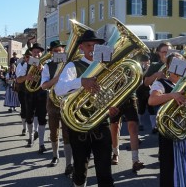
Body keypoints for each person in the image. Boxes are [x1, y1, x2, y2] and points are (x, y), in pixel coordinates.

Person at [54, 30, 114, 187]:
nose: (92, 49)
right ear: (81, 47)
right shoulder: (73, 66)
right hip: (79, 124)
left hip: (101, 122)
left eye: (96, 45)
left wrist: (114, 105)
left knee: (105, 172)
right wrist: (81, 82)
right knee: (80, 170)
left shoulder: (106, 65)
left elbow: (113, 90)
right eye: (89, 45)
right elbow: (58, 89)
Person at [148, 52, 186, 187]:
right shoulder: (161, 83)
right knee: (170, 170)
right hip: (170, 133)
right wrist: (173, 95)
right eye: (175, 63)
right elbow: (152, 100)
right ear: (168, 66)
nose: (179, 66)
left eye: (181, 63)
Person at [41, 40, 73, 176]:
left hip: (67, 101)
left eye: (60, 50)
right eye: (56, 51)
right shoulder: (48, 66)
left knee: (67, 133)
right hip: (53, 101)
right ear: (51, 53)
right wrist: (57, 78)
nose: (59, 53)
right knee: (54, 131)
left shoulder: (70, 64)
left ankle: (68, 164)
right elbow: (44, 85)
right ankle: (55, 156)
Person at [16, 43, 48, 153]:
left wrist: (43, 69)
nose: (37, 54)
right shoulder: (26, 64)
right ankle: (30, 137)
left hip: (42, 93)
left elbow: (50, 78)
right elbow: (18, 80)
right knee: (29, 117)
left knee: (42, 118)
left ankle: (42, 144)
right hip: (29, 93)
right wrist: (27, 77)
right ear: (31, 53)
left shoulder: (46, 64)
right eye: (34, 52)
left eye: (38, 52)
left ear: (41, 53)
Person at [109, 95, 145, 172]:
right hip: (114, 98)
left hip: (130, 97)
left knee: (133, 127)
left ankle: (135, 160)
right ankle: (115, 152)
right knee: (115, 127)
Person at [143, 42, 172, 134]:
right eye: (164, 52)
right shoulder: (155, 65)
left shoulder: (178, 64)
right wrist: (155, 75)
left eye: (169, 51)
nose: (166, 54)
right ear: (158, 53)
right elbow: (146, 83)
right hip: (160, 97)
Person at [15, 49, 31, 136]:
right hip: (23, 90)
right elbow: (19, 79)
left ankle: (32, 130)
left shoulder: (36, 64)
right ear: (24, 57)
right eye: (27, 57)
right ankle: (24, 128)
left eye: (30, 57)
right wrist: (27, 77)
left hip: (34, 90)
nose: (28, 58)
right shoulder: (20, 65)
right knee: (24, 109)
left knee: (33, 111)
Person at [135, 54, 151, 131]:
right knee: (141, 107)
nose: (145, 63)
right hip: (140, 89)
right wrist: (147, 70)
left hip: (149, 89)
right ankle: (140, 123)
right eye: (143, 61)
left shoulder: (151, 67)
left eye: (146, 61)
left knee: (151, 108)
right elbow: (140, 78)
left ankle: (154, 126)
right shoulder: (138, 68)